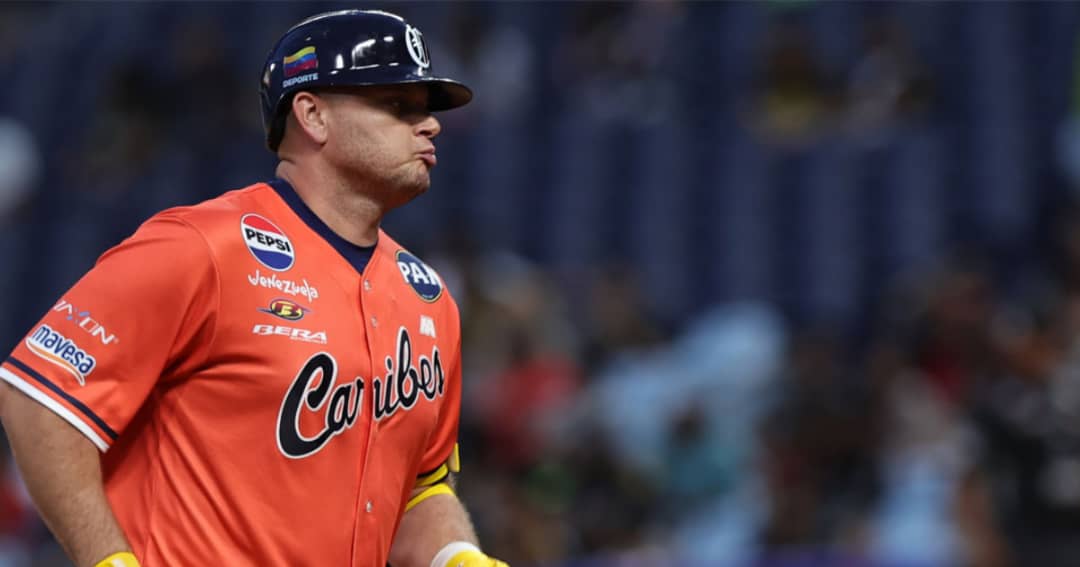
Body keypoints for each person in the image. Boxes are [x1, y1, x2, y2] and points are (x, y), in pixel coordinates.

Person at [0, 9, 508, 567]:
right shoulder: (200, 247)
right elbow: (37, 399)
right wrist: (107, 560)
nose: (430, 124)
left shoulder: (428, 297)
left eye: (427, 109)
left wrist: (457, 556)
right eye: (397, 105)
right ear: (312, 115)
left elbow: (418, 486)